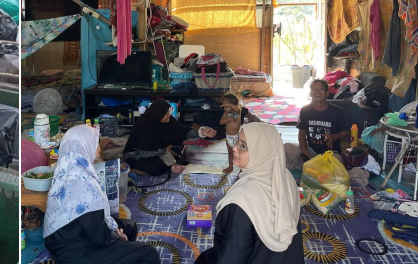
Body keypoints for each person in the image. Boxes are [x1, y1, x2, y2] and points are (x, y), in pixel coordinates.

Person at [43, 125, 161, 264]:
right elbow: (98, 238)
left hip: (64, 238)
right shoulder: (84, 183)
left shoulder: (66, 168)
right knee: (148, 253)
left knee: (129, 225)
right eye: (96, 144)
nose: (98, 149)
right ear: (85, 146)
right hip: (76, 254)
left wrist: (116, 231)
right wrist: (116, 237)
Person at [196, 123, 303, 264]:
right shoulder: (285, 177)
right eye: (237, 142)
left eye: (244, 146)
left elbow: (231, 257)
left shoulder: (241, 201)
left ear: (262, 150)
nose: (235, 148)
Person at [123, 99, 217, 176]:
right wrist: (165, 150)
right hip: (138, 155)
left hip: (159, 150)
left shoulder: (168, 120)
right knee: (155, 168)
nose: (169, 115)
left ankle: (171, 165)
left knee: (178, 149)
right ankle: (170, 167)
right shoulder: (143, 126)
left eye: (169, 112)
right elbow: (144, 153)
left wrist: (202, 132)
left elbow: (182, 130)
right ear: (158, 114)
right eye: (166, 113)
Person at [284, 79, 349, 170]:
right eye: (314, 89)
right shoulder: (305, 110)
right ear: (310, 93)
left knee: (337, 160)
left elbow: (346, 132)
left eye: (321, 89)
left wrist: (334, 137)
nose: (317, 91)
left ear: (327, 93)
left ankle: (309, 168)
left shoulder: (337, 111)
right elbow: (302, 133)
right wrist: (304, 149)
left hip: (329, 154)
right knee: (286, 148)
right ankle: (314, 168)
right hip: (310, 152)